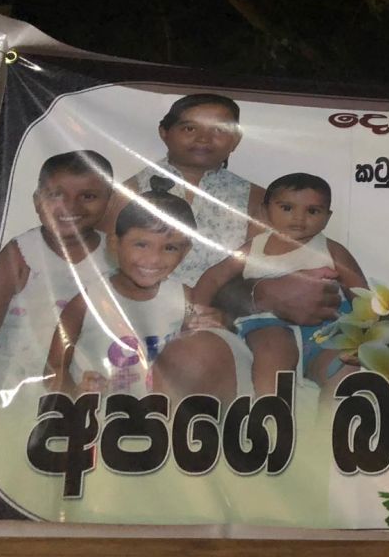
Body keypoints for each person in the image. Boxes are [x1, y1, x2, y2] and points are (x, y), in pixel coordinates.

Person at [105, 93, 342, 400]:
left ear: (236, 139)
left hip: (220, 325)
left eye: (219, 129)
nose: (204, 138)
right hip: (135, 321)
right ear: (165, 132)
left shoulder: (259, 201)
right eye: (190, 128)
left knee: (199, 354)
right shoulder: (127, 193)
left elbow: (261, 274)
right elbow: (107, 269)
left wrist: (223, 312)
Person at [0, 150, 115, 424]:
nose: (71, 206)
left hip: (86, 386)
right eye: (56, 195)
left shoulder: (116, 253)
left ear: (109, 201)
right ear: (37, 201)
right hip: (11, 384)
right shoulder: (20, 253)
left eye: (88, 196)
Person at [192, 173, 367, 395]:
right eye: (287, 208)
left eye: (313, 211)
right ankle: (272, 418)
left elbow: (361, 294)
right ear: (265, 211)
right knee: (272, 356)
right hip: (267, 326)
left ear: (327, 216)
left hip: (326, 328)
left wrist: (368, 332)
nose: (299, 218)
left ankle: (330, 424)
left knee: (343, 370)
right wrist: (198, 311)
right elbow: (214, 277)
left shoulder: (333, 251)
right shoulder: (252, 248)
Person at [47, 177, 197, 396]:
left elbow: (197, 360)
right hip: (95, 420)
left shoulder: (184, 299)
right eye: (141, 244)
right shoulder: (87, 301)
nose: (153, 259)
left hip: (157, 419)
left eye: (170, 248)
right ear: (114, 244)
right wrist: (74, 394)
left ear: (185, 252)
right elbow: (54, 368)